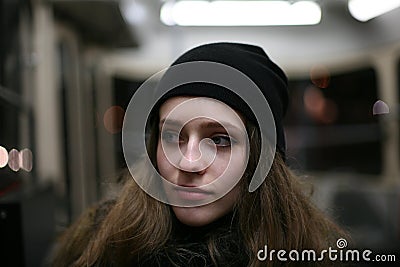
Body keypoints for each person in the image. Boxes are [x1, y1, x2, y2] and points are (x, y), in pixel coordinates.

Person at [50, 43, 347, 266]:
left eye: (219, 140)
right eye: (171, 136)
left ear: (261, 159)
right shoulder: (100, 244)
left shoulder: (308, 251)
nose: (189, 162)